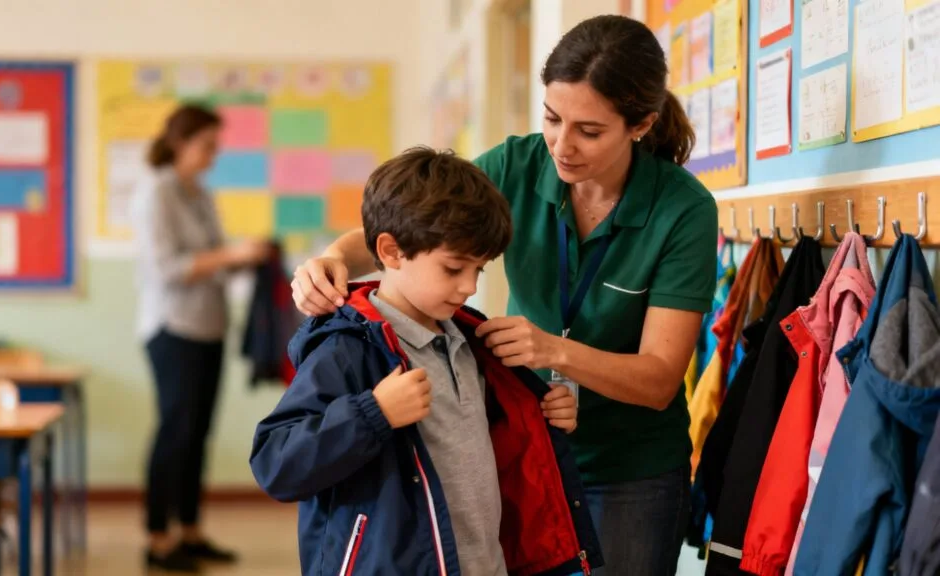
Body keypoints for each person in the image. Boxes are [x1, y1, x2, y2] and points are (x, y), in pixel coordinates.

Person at [290, 14, 718, 575]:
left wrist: (552, 352)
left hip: (630, 468)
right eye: (552, 118)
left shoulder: (683, 210)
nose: (562, 146)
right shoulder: (515, 165)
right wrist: (332, 260)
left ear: (640, 125)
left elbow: (661, 379)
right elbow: (410, 224)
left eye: (589, 131)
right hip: (530, 448)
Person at [250, 147, 602, 575]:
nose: (469, 287)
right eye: (454, 269)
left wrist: (543, 412)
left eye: (480, 270)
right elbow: (276, 462)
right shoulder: (348, 349)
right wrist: (373, 414)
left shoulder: (472, 343)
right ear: (392, 251)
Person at [132, 104, 267, 572]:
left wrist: (245, 257)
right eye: (207, 145)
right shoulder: (157, 193)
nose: (214, 155)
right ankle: (157, 536)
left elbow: (212, 260)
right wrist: (231, 254)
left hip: (209, 326)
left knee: (198, 435)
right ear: (178, 143)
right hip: (173, 329)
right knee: (175, 432)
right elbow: (166, 268)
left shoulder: (200, 194)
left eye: (216, 145)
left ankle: (189, 530)